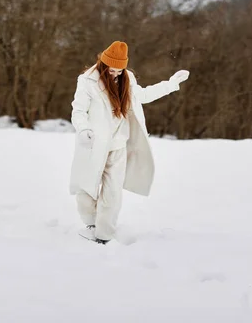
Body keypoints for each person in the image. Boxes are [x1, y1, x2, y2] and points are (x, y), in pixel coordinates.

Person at [69, 40, 190, 244]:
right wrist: (83, 129)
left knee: (113, 191)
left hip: (118, 145)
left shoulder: (127, 78)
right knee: (86, 187)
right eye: (111, 70)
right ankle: (90, 223)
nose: (115, 74)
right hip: (94, 144)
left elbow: (142, 95)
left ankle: (103, 234)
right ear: (103, 64)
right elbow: (78, 110)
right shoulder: (87, 81)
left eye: (119, 70)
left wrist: (170, 84)